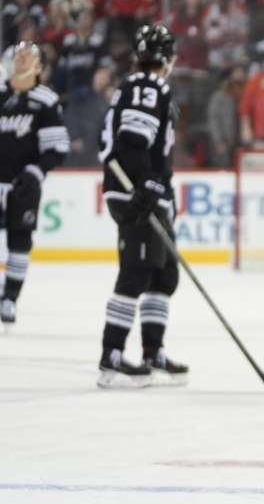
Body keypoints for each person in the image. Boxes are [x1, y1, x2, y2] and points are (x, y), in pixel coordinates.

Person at [95, 24, 188, 388]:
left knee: (163, 275)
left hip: (143, 191)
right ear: (167, 58)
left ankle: (153, 351)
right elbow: (132, 139)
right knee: (137, 271)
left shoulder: (137, 86)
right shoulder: (147, 87)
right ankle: (112, 355)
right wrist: (146, 184)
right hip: (136, 193)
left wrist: (153, 186)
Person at [0, 42, 69, 325]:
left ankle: (10, 299)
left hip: (23, 186)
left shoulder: (46, 100)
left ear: (39, 66)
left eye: (29, 56)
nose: (22, 59)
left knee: (20, 242)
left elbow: (57, 148)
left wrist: (35, 172)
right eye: (18, 55)